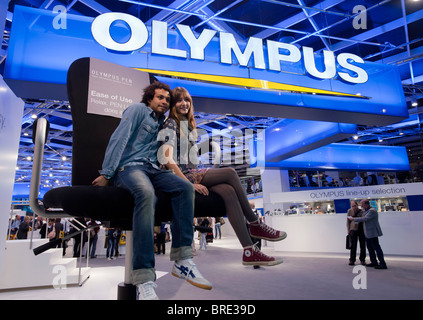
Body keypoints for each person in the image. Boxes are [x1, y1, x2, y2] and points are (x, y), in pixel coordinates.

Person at [92, 81, 212, 300]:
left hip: (153, 168)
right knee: (147, 194)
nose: (165, 102)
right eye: (160, 97)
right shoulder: (137, 110)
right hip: (129, 167)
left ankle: (183, 260)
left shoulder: (162, 122)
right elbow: (119, 139)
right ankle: (145, 277)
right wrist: (108, 173)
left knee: (185, 187)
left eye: (167, 99)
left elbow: (167, 154)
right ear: (149, 97)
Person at [160, 86, 287, 267]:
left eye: (187, 100)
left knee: (228, 190)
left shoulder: (187, 126)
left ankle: (249, 251)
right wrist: (188, 183)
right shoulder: (171, 123)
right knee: (230, 172)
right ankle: (254, 222)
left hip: (191, 173)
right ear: (173, 104)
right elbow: (166, 158)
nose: (184, 103)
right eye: (179, 100)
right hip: (180, 177)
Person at [348, 200, 387, 269]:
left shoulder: (372, 211)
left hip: (372, 233)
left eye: (362, 204)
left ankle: (382, 263)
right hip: (367, 233)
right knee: (370, 248)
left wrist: (354, 219)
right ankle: (374, 262)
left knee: (376, 248)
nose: (361, 206)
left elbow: (365, 218)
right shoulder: (365, 210)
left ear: (366, 204)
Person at [346, 200, 366, 266]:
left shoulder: (362, 211)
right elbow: (348, 221)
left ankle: (362, 259)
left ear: (357, 205)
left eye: (355, 206)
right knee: (353, 245)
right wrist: (348, 229)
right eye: (352, 206)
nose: (354, 207)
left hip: (361, 229)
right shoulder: (349, 211)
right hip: (353, 229)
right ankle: (352, 260)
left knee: (362, 245)